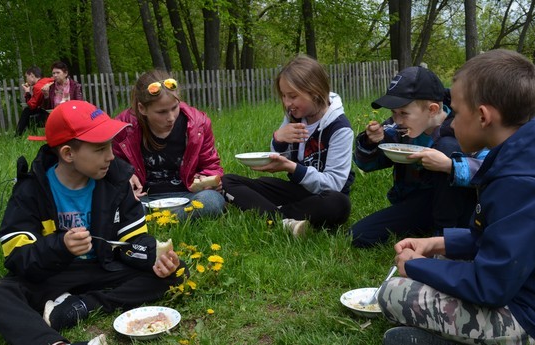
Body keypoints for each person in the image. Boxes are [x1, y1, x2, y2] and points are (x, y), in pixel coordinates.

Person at [378, 49, 535, 345]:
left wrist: (414, 266)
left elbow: (490, 285)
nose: (450, 124)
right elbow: (504, 237)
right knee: (438, 260)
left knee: (393, 294)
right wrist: (439, 243)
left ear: (483, 116)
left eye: (455, 112)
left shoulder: (524, 185)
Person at [0, 100, 186, 345]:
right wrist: (59, 246)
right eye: (100, 149)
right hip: (50, 275)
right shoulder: (31, 189)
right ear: (68, 153)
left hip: (103, 267)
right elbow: (17, 257)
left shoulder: (115, 181)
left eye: (111, 147)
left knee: (175, 272)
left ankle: (80, 306)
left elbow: (131, 240)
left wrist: (154, 258)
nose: (111, 156)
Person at [350, 66, 487, 247]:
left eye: (404, 113)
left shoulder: (462, 125)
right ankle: (426, 229)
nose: (397, 120)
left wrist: (448, 165)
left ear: (432, 109)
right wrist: (370, 142)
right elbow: (366, 164)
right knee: (358, 235)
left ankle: (444, 236)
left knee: (447, 146)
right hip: (418, 203)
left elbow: (490, 171)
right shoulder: (398, 128)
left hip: (461, 209)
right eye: (393, 113)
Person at [221, 55, 354, 236]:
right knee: (228, 181)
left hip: (323, 196)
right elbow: (282, 157)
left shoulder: (340, 128)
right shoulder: (295, 116)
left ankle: (270, 213)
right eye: (283, 95)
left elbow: (334, 184)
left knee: (339, 204)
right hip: (295, 191)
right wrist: (278, 140)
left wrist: (292, 168)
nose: (286, 103)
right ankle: (285, 220)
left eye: (292, 96)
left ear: (315, 92)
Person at [114, 69, 225, 220]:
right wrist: (125, 178)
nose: (171, 117)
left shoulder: (198, 124)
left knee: (211, 202)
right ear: (142, 108)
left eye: (175, 108)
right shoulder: (122, 128)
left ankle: (153, 219)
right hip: (144, 199)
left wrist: (210, 180)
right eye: (161, 112)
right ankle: (174, 217)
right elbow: (111, 167)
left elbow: (211, 165)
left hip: (189, 195)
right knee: (118, 207)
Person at [15, 66, 54, 136]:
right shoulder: (47, 81)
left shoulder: (38, 86)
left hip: (49, 113)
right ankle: (22, 136)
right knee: (28, 112)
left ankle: (18, 136)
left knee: (27, 112)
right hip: (51, 109)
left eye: (27, 77)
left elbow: (32, 105)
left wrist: (27, 92)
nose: (26, 80)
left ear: (32, 76)